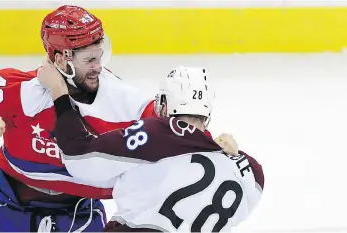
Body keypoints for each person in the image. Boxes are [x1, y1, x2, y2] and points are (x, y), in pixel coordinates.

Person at [0, 5, 238, 232]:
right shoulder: (16, 90)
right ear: (60, 58)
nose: (99, 66)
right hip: (12, 217)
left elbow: (169, 131)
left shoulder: (117, 96)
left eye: (102, 54)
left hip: (83, 219)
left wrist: (210, 143)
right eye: (90, 59)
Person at [45, 65, 265, 232]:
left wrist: (59, 93)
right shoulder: (250, 171)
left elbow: (79, 155)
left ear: (165, 104)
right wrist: (237, 154)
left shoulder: (157, 133)